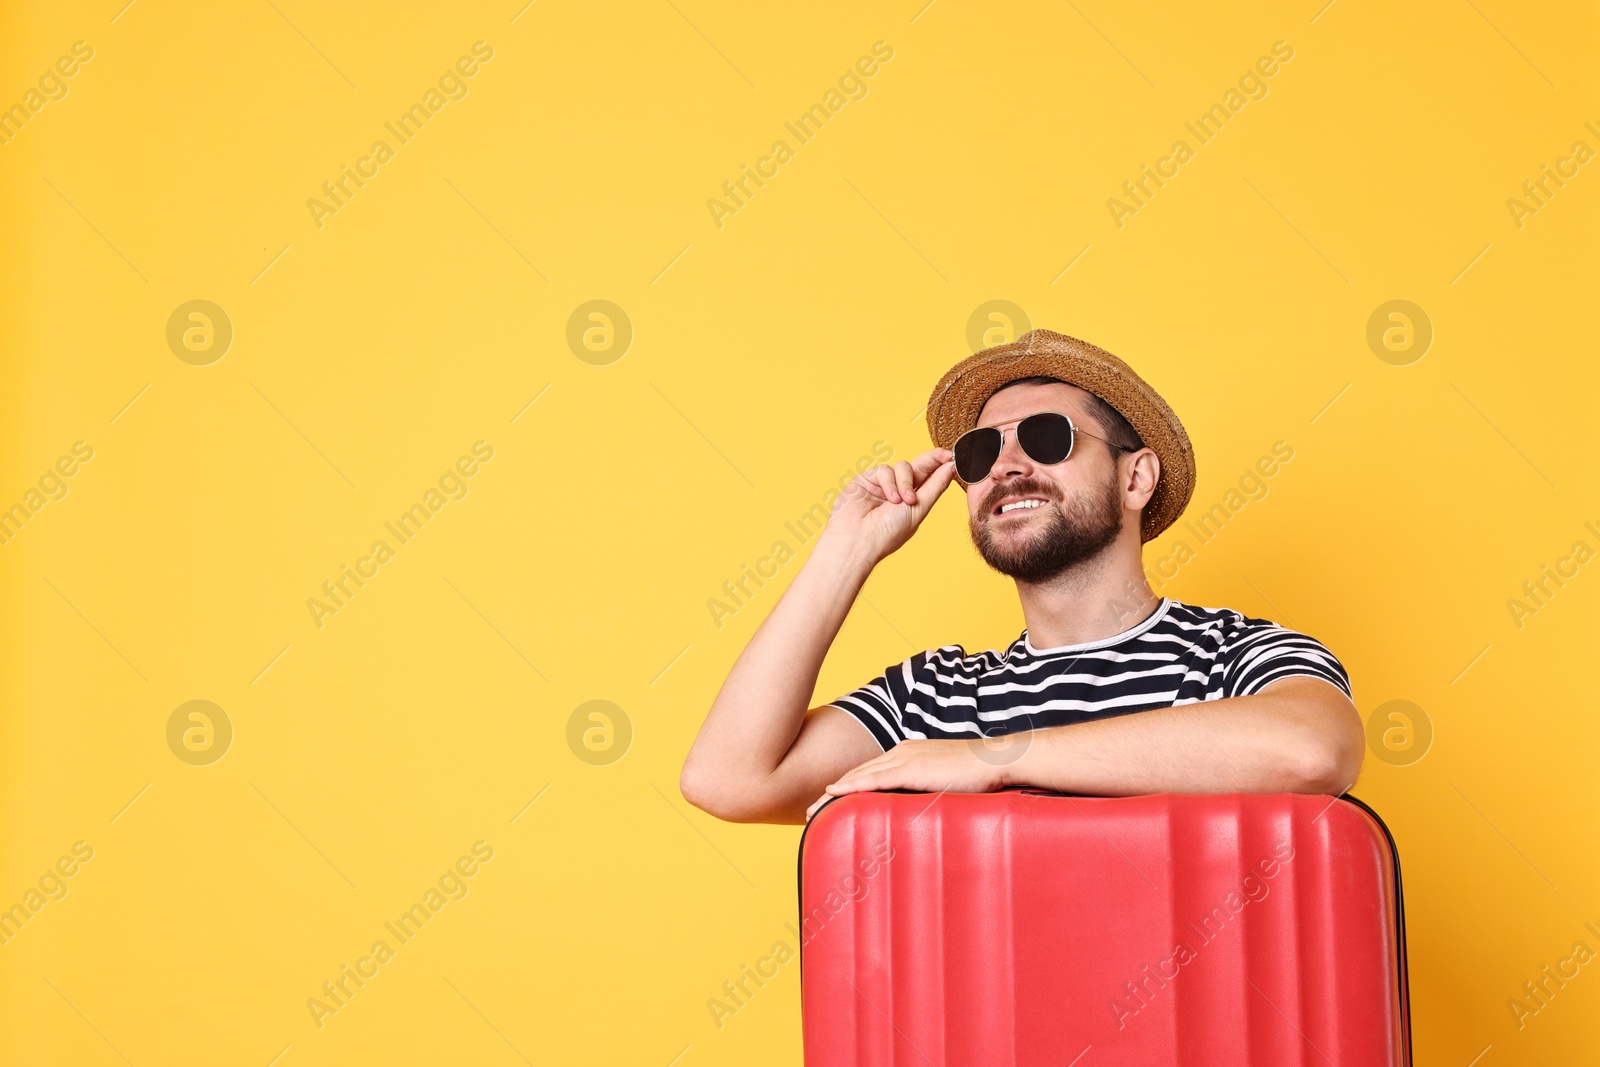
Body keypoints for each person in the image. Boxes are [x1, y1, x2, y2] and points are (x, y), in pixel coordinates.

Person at [680, 329, 1363, 825]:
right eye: (981, 452)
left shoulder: (1235, 657)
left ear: (1136, 476)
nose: (1005, 467)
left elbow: (1308, 751)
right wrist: (846, 549)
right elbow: (728, 778)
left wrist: (994, 759)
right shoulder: (936, 699)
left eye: (1047, 438)